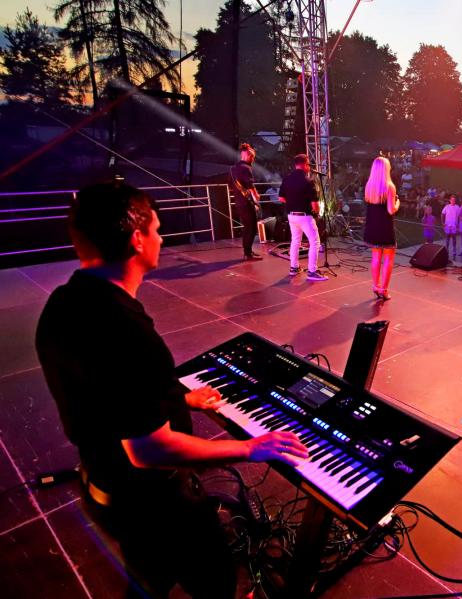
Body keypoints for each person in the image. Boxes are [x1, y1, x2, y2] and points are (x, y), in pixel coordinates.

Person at [35, 181, 309, 598]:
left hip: (104, 488)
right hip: (155, 504)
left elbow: (109, 393)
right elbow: (149, 450)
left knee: (149, 578)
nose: (161, 239)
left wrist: (179, 398)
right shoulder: (125, 330)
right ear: (137, 238)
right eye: (157, 230)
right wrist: (250, 448)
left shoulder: (63, 303)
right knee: (217, 584)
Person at [278, 154, 328, 281]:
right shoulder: (308, 181)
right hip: (305, 217)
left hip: (291, 216)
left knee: (295, 241)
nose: (309, 167)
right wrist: (317, 213)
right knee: (315, 242)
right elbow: (315, 205)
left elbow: (281, 198)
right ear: (305, 164)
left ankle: (294, 268)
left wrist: (292, 202)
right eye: (308, 164)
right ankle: (312, 271)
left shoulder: (287, 179)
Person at [363, 156, 400, 300]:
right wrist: (397, 203)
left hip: (372, 226)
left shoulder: (369, 185)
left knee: (376, 257)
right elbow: (391, 210)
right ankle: (384, 290)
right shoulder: (389, 186)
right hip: (385, 227)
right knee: (388, 259)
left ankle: (376, 286)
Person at [229, 143, 263, 260]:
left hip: (239, 202)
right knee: (252, 228)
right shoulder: (246, 168)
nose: (253, 160)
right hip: (247, 202)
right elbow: (250, 185)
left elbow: (231, 185)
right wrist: (256, 196)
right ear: (249, 156)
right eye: (252, 157)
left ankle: (247, 251)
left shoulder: (233, 168)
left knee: (247, 227)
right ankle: (248, 253)